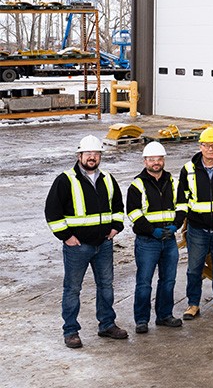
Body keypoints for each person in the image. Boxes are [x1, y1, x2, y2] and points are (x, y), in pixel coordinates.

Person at [45, 135, 127, 349]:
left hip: (104, 244)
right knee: (72, 288)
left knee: (106, 286)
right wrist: (67, 237)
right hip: (77, 247)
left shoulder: (107, 178)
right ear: (79, 155)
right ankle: (71, 331)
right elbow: (52, 213)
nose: (92, 157)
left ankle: (107, 325)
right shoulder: (65, 180)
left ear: (100, 156)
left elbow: (118, 207)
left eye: (96, 154)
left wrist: (115, 228)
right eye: (88, 154)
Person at [126, 141, 184, 334]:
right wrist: (152, 231)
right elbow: (133, 213)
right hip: (147, 241)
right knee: (144, 282)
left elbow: (182, 206)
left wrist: (176, 225)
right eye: (152, 159)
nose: (156, 162)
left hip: (169, 239)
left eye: (159, 159)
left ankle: (164, 315)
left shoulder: (173, 182)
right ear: (145, 162)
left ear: (163, 160)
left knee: (168, 280)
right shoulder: (137, 185)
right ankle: (141, 320)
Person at [178, 126, 213, 320]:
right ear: (200, 146)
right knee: (194, 268)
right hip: (197, 228)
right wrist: (187, 221)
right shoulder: (188, 169)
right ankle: (193, 304)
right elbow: (183, 198)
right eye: (207, 145)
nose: (210, 149)